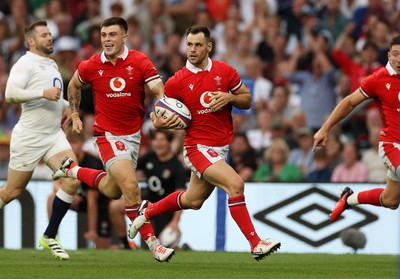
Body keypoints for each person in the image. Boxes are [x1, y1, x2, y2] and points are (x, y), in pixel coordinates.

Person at [129, 25, 281, 261]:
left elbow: (247, 100)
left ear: (209, 47)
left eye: (198, 45)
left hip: (220, 148)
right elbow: (157, 118)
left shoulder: (225, 71)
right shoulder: (176, 82)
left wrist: (230, 97)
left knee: (193, 200)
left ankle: (147, 211)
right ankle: (256, 243)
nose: (192, 49)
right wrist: (160, 122)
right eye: (189, 44)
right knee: (236, 184)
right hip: (197, 147)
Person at [52, 17, 175, 262]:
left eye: (112, 35)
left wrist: (163, 105)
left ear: (124, 37)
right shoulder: (91, 65)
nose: (107, 39)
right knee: (131, 187)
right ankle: (154, 245)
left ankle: (72, 170)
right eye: (104, 34)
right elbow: (74, 86)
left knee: (111, 188)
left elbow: (159, 88)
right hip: (106, 135)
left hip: (133, 136)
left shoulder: (139, 61)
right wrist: (75, 113)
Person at [0, 20, 81, 260]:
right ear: (31, 41)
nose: (50, 38)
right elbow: (10, 94)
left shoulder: (51, 64)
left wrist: (68, 108)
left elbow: (53, 99)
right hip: (29, 137)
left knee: (72, 180)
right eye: (44, 35)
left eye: (50, 34)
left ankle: (49, 235)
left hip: (53, 136)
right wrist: (41, 93)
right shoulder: (25, 63)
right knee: (12, 192)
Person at [313, 35, 400, 222]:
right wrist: (325, 128)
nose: (399, 59)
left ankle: (348, 199)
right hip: (392, 145)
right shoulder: (378, 79)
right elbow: (350, 102)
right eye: (395, 54)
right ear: (388, 56)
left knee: (391, 200)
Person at [109, 129, 187, 249]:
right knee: (114, 207)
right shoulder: (150, 157)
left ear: (169, 142)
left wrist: (175, 222)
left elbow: (180, 195)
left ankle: (183, 248)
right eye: (155, 140)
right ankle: (125, 245)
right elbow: (130, 168)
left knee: (167, 243)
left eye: (162, 140)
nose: (158, 143)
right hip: (147, 202)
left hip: (165, 210)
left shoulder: (176, 166)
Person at [48, 126, 112, 249]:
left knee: (103, 248)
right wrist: (67, 192)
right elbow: (56, 183)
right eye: (69, 143)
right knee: (51, 198)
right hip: (78, 200)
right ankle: (51, 236)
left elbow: (92, 201)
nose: (71, 147)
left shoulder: (92, 164)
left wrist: (92, 231)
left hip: (100, 206)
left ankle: (120, 247)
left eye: (75, 143)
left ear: (82, 143)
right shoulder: (64, 159)